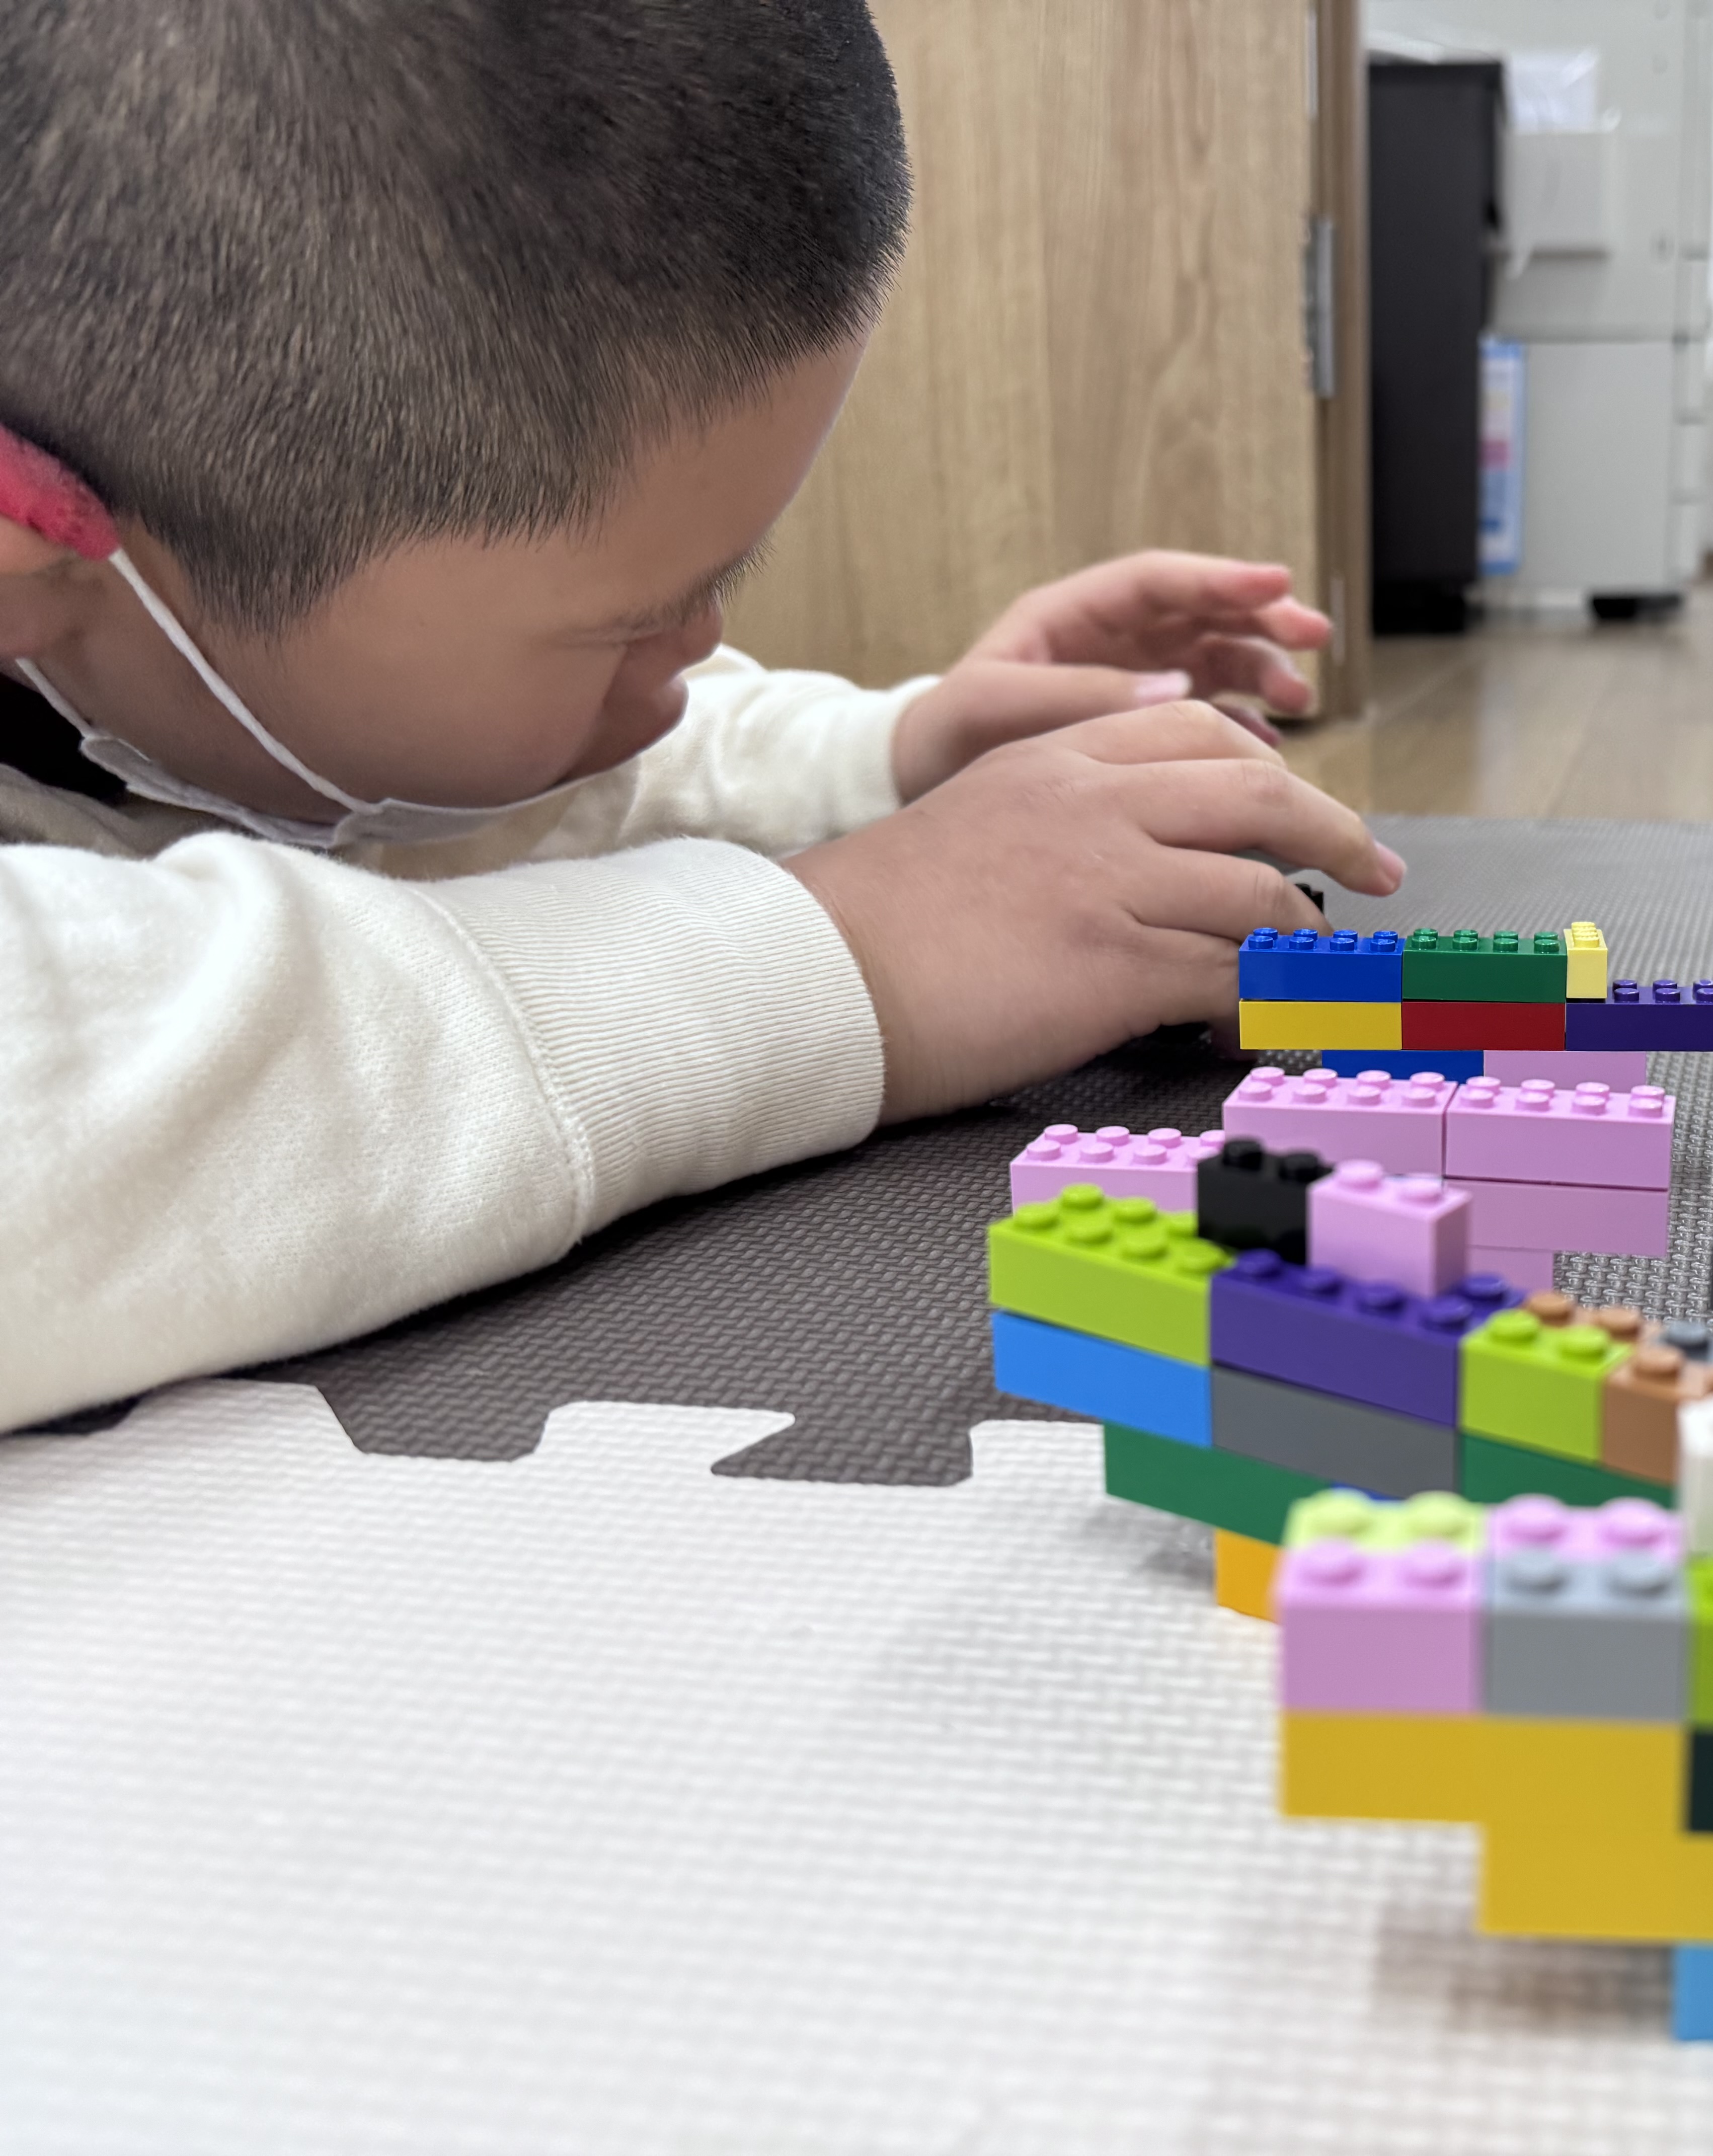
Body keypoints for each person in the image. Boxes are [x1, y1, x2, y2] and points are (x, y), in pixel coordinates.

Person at [0, 0, 1401, 1429]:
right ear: (29, 563)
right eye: (630, 623)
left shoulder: (221, 622)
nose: (700, 655)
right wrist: (852, 955)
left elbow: (557, 783)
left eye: (723, 582)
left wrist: (892, 758)